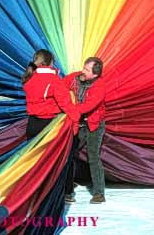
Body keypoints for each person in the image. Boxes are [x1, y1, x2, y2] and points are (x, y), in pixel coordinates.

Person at [63, 57, 106, 204]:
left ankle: (99, 193)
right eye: (84, 67)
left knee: (93, 156)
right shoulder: (75, 78)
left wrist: (70, 109)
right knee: (70, 154)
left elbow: (88, 107)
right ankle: (68, 189)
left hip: (94, 124)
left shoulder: (100, 86)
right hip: (77, 123)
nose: (83, 71)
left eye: (87, 70)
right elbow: (61, 86)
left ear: (95, 74)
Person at [22, 49, 80, 140]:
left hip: (32, 123)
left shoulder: (30, 76)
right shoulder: (54, 80)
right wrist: (76, 119)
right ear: (51, 62)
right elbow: (65, 103)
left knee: (33, 152)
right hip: (47, 125)